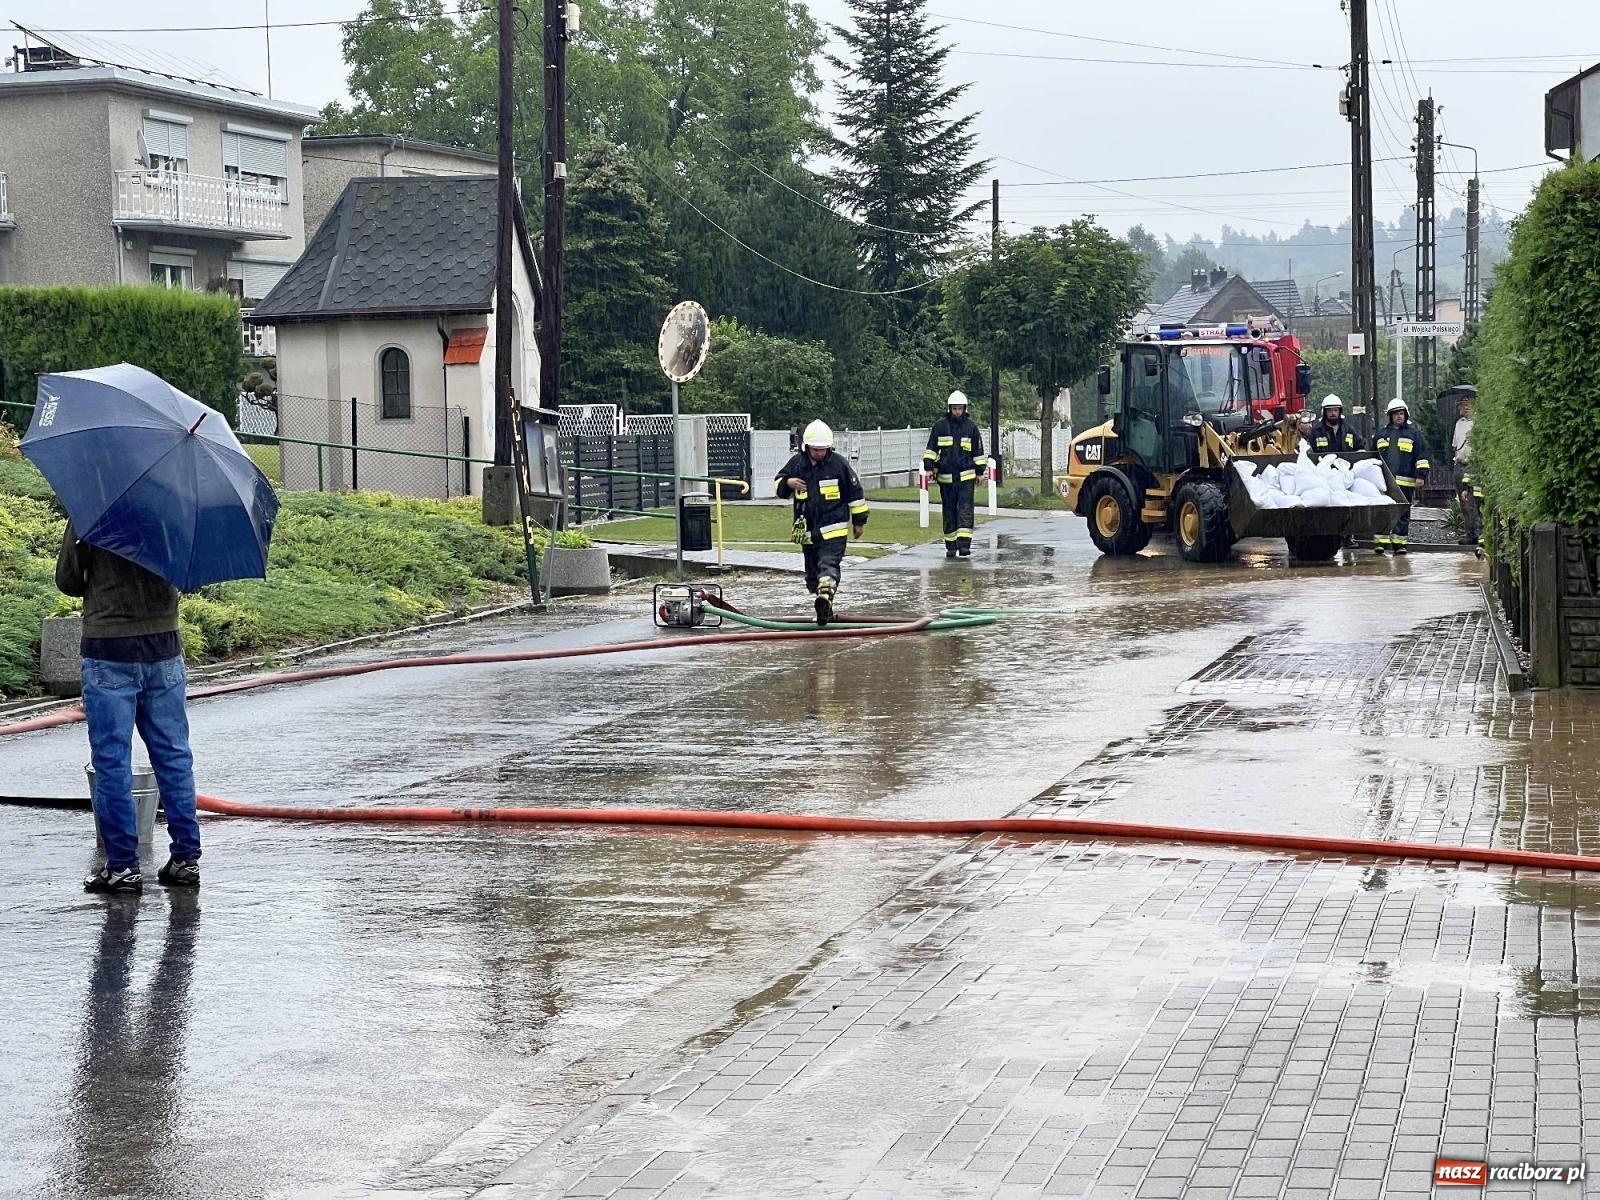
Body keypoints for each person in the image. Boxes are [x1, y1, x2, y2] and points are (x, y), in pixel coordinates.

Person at [57, 523, 202, 894]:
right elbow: (192, 578)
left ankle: (122, 867)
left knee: (112, 760)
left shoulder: (93, 510)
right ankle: (186, 860)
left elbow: (68, 581)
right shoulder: (175, 510)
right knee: (173, 754)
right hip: (164, 648)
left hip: (109, 651)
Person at [774, 420, 869, 626]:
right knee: (812, 578)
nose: (820, 453)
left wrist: (859, 522)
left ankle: (825, 596)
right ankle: (824, 608)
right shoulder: (797, 464)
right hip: (808, 533)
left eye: (824, 449)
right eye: (816, 450)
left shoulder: (839, 464)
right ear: (807, 447)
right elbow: (778, 485)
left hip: (834, 529)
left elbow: (856, 494)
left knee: (828, 565)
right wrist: (788, 482)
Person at [922, 390, 988, 558]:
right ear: (950, 408)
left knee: (965, 510)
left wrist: (980, 472)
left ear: (965, 409)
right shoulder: (940, 426)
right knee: (949, 511)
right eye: (955, 409)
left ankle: (964, 546)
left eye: (960, 409)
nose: (957, 412)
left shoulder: (971, 427)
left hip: (966, 477)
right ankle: (951, 546)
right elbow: (931, 449)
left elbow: (978, 451)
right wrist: (929, 467)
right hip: (946, 478)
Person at [1372, 398, 1431, 555]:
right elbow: (1371, 458)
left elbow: (1422, 457)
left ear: (1406, 415)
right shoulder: (1380, 435)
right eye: (1396, 414)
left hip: (1405, 482)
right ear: (1390, 416)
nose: (1399, 416)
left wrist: (1421, 476)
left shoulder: (1414, 434)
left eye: (1401, 413)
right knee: (1382, 511)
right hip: (1384, 483)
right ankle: (1380, 543)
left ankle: (1400, 545)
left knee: (1403, 513)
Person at [1452, 394, 1482, 545]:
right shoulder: (1459, 424)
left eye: (1464, 405)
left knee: (1473, 501)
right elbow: (1455, 446)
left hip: (1472, 465)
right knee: (1463, 503)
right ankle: (1469, 533)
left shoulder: (1478, 423)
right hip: (1459, 465)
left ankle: (1479, 534)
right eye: (1460, 405)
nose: (1461, 408)